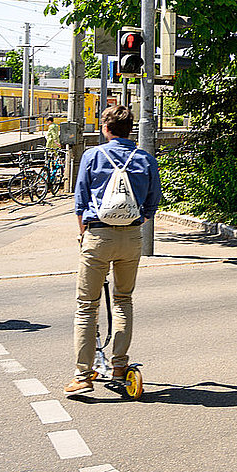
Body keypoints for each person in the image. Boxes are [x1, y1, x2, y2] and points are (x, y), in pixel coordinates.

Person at [64, 105, 162, 397]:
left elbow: (80, 200)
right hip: (132, 237)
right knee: (123, 300)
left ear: (106, 129)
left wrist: (84, 234)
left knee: (86, 306)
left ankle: (83, 375)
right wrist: (137, 222)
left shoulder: (93, 155)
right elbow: (153, 201)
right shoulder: (145, 159)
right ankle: (119, 366)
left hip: (98, 235)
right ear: (130, 129)